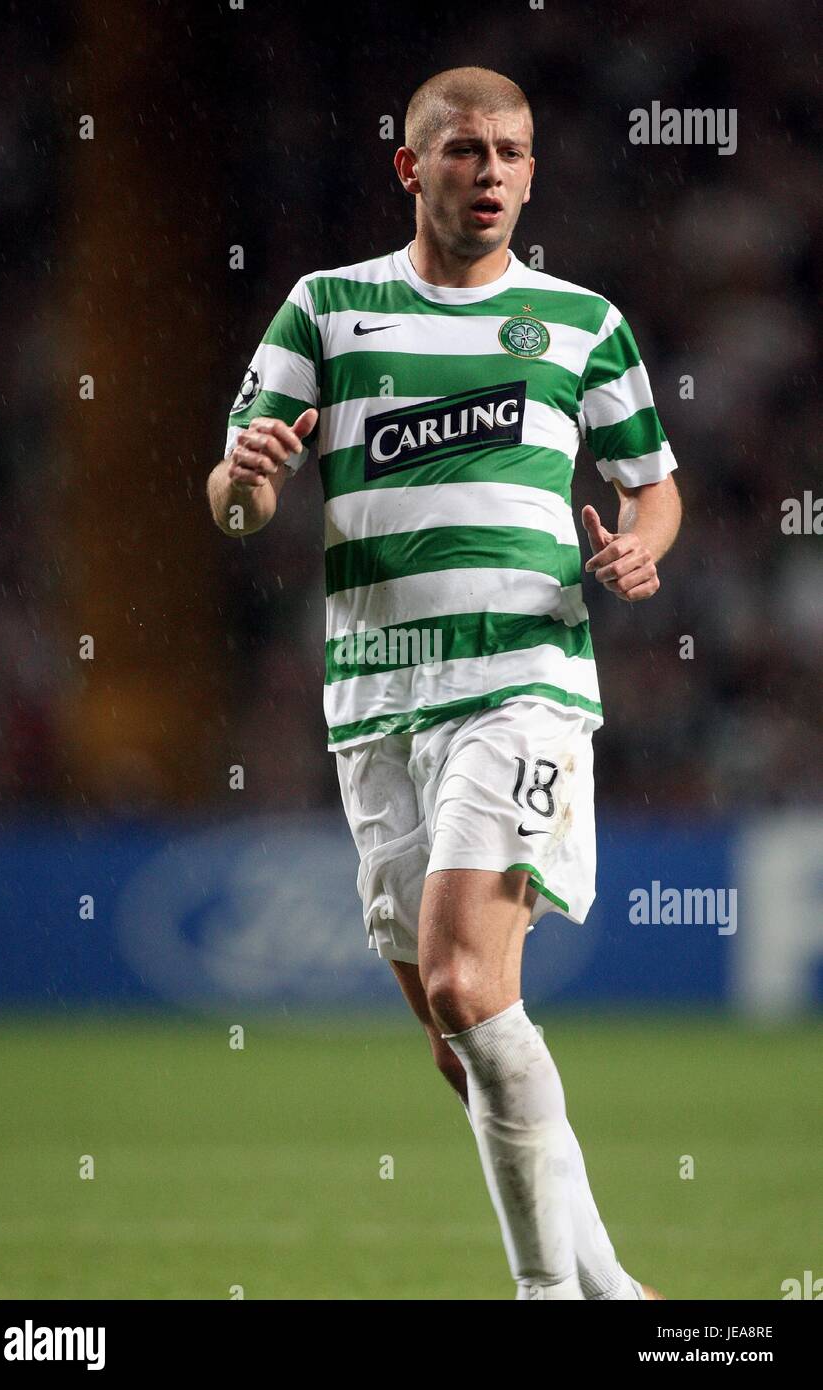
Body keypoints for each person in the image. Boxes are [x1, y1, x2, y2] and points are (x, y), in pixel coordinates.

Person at [207, 65, 682, 1300]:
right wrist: (249, 480)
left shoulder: (580, 321)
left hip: (520, 679)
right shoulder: (327, 310)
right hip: (373, 697)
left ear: (532, 170)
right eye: (466, 151)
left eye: (513, 153)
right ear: (410, 168)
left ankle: (541, 1295)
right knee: (457, 1043)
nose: (493, 173)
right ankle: (616, 1291)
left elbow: (652, 480)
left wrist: (640, 542)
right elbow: (237, 497)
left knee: (471, 984)